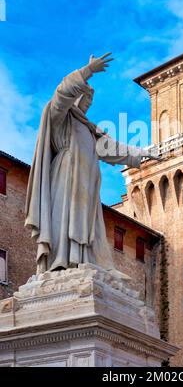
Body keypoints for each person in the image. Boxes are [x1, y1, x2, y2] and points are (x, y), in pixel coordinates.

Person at [25, 53, 155, 274]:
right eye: (85, 99)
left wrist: (144, 153)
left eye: (90, 101)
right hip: (65, 178)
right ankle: (63, 261)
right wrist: (88, 71)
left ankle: (84, 259)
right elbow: (62, 93)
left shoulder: (88, 128)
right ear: (76, 97)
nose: (87, 104)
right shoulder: (59, 117)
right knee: (63, 221)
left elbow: (113, 149)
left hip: (86, 184)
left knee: (87, 225)